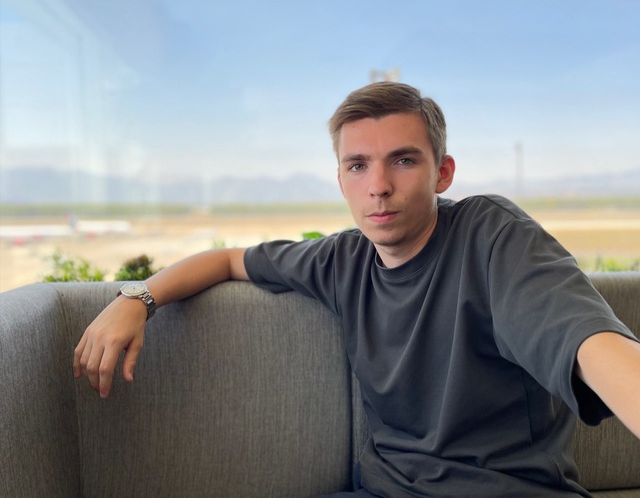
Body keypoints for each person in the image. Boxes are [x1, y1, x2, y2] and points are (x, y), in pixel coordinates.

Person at [74, 82, 640, 498]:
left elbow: (587, 340)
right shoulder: (341, 259)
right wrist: (135, 299)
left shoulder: (492, 236)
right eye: (358, 165)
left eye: (403, 160)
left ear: (443, 173)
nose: (379, 187)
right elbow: (225, 260)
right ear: (341, 180)